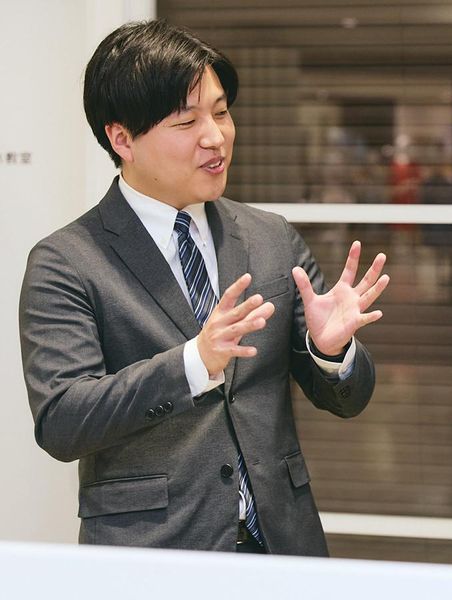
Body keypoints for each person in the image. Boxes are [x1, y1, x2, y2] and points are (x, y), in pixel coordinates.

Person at [18, 20, 389, 556]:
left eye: (220, 112)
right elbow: (62, 421)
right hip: (153, 553)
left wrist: (330, 353)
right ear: (122, 139)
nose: (215, 137)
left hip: (282, 546)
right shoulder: (67, 261)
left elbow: (348, 400)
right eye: (187, 120)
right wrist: (193, 363)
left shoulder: (270, 237)